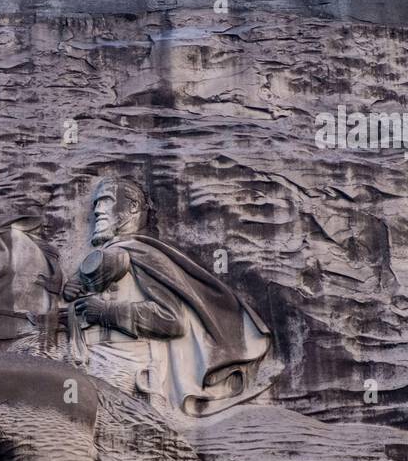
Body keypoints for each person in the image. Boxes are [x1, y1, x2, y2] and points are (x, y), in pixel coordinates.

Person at [64, 176, 271, 415]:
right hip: (87, 361)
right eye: (95, 204)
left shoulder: (143, 255)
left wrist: (106, 312)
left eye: (106, 201)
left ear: (132, 207)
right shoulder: (106, 257)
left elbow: (172, 320)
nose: (98, 211)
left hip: (125, 372)